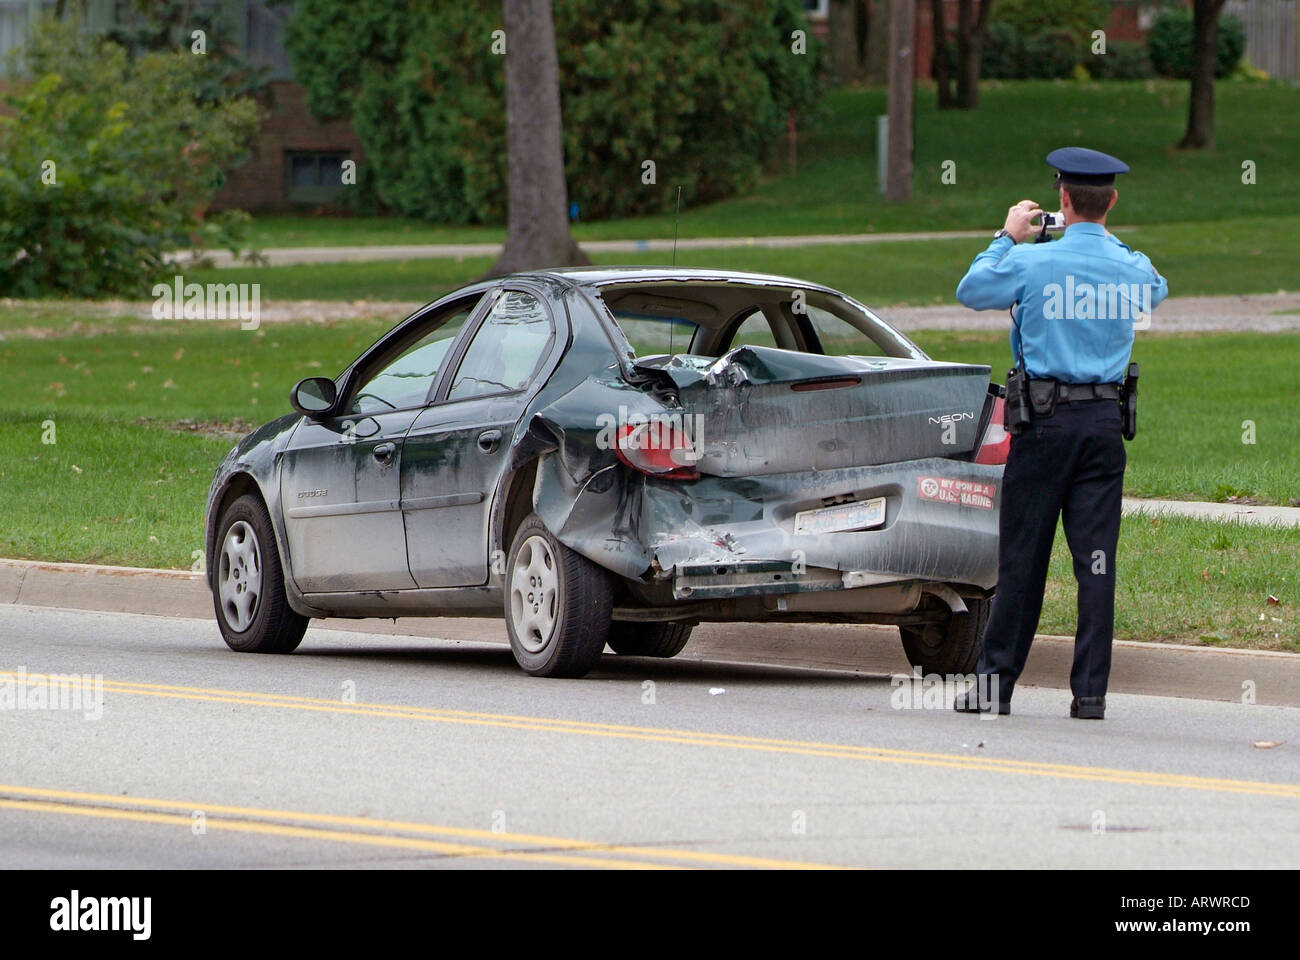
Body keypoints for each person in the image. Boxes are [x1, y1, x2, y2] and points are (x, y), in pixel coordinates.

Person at [952, 147, 1168, 720]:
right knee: (1096, 562)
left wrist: (1008, 235)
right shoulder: (1130, 265)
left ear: (1063, 200)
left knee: (1023, 558)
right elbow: (1156, 288)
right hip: (1104, 426)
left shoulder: (1033, 262)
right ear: (1112, 201)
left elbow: (972, 290)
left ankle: (994, 688)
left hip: (1045, 424)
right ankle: (1090, 694)